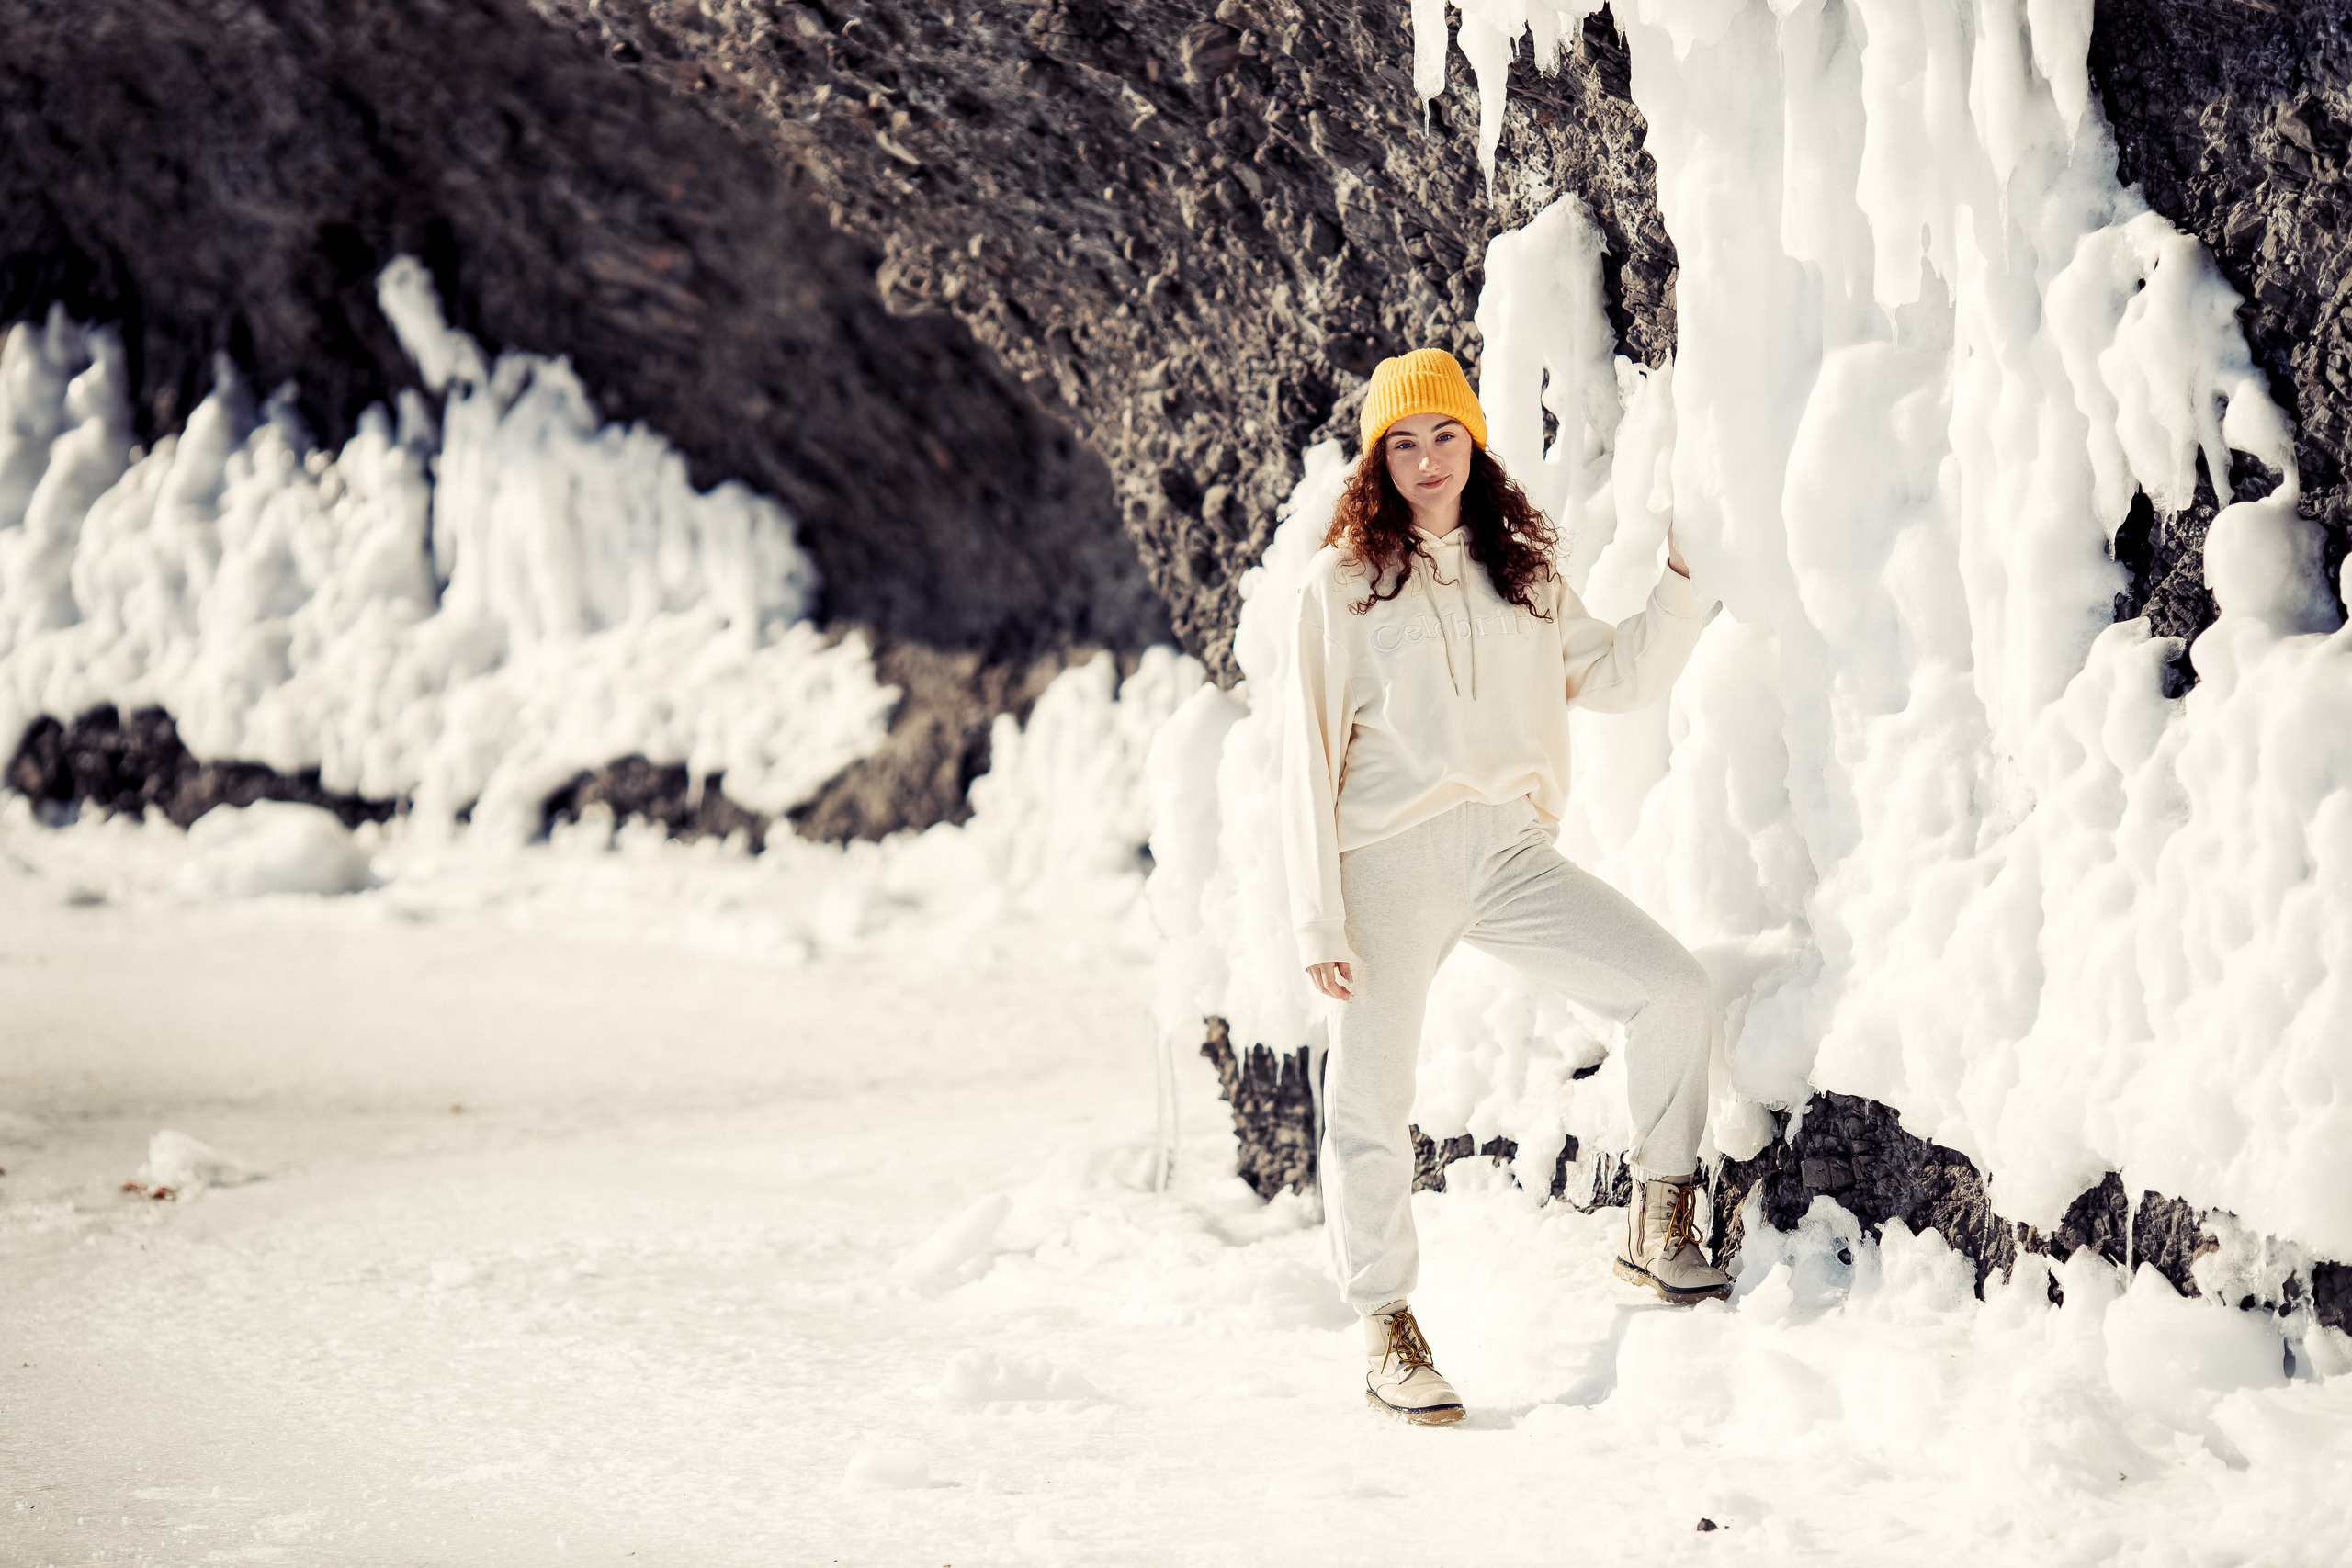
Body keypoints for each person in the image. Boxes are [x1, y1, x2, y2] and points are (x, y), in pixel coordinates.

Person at [1281, 348, 1728, 1427]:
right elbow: (1305, 754)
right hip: (1387, 861)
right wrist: (1318, 914)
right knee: (1372, 1100)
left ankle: (1657, 1219)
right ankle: (1386, 1325)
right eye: (1403, 442)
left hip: (1512, 854)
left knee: (1673, 990)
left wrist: (1682, 586)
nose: (1427, 459)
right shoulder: (1340, 585)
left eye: (1444, 436)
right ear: (1375, 460)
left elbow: (1616, 678)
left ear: (1473, 443)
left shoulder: (1522, 572)